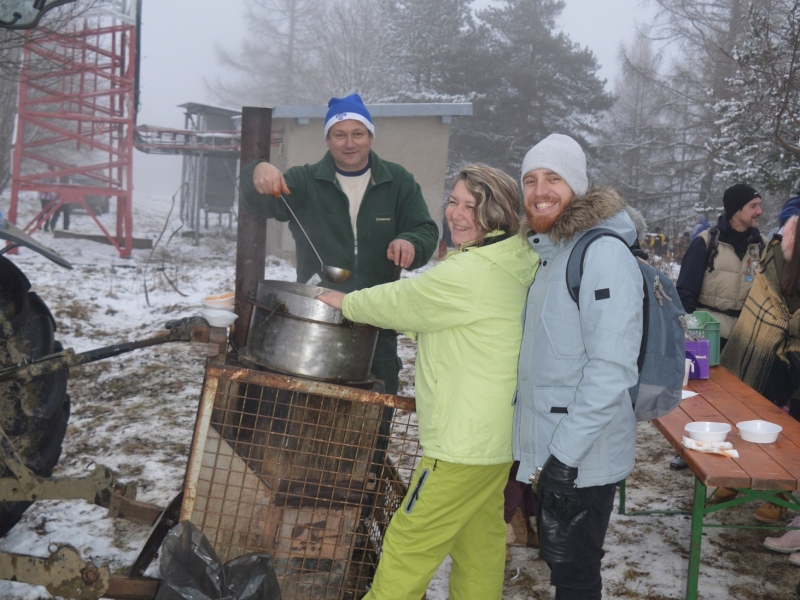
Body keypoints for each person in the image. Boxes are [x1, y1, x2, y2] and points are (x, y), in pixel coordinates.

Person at [316, 164, 539, 600]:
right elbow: (450, 318)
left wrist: (347, 301)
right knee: (479, 542)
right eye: (452, 202)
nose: (456, 214)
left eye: (470, 206)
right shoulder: (513, 257)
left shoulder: (471, 273)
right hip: (497, 440)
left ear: (495, 213)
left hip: (461, 444)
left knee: (408, 542)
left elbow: (406, 300)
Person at [513, 134, 643, 600]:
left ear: (577, 187)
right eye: (530, 179)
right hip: (555, 451)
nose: (539, 190)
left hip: (580, 457)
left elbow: (611, 370)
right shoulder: (552, 254)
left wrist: (564, 460)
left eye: (554, 178)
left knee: (576, 577)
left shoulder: (601, 253)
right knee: (565, 572)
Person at [239, 93, 438, 395]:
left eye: (358, 133)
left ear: (370, 137)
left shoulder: (397, 181)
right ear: (328, 140)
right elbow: (257, 204)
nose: (349, 143)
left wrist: (410, 241)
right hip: (317, 319)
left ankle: (375, 444)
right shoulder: (306, 181)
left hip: (378, 318)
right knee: (313, 407)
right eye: (339, 135)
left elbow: (425, 229)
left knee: (377, 407)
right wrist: (256, 170)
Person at [720, 201, 800, 524]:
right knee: (766, 423)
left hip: (780, 355)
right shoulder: (774, 254)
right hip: (770, 354)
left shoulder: (776, 250)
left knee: (778, 427)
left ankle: (772, 495)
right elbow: (765, 299)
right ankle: (746, 482)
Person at [676, 184, 767, 349]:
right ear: (735, 210)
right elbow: (685, 293)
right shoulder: (706, 243)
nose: (759, 211)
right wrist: (688, 334)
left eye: (759, 205)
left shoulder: (762, 245)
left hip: (746, 340)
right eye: (753, 206)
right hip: (708, 336)